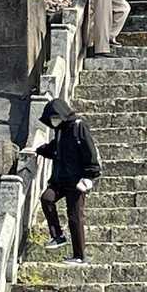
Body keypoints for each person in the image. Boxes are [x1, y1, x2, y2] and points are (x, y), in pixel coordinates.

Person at [38, 97, 102, 265]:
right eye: (51, 119)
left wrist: (90, 175)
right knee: (46, 198)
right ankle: (58, 236)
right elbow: (56, 148)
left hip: (77, 181)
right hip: (60, 180)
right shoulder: (60, 130)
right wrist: (40, 150)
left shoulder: (78, 126)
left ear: (62, 114)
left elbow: (90, 151)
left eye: (55, 117)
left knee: (75, 217)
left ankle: (79, 256)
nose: (54, 121)